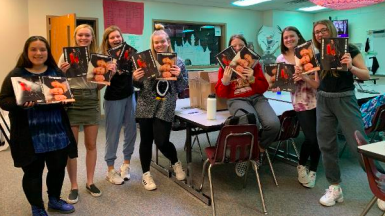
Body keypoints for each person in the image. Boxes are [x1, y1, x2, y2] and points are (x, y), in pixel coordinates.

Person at [0, 36, 76, 215]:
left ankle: (54, 200)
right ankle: (37, 207)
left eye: (42, 49)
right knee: (33, 173)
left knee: (57, 169)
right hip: (29, 135)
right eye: (33, 49)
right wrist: (20, 103)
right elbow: (3, 101)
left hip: (56, 131)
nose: (38, 53)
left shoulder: (55, 72)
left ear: (47, 52)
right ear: (27, 52)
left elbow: (65, 96)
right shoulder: (16, 74)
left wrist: (66, 101)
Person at [312, 20, 370, 207]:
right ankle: (334, 187)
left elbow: (365, 75)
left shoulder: (350, 49)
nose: (320, 34)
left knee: (358, 144)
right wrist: (303, 75)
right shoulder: (318, 54)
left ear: (332, 31)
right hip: (323, 100)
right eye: (316, 32)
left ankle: (382, 185)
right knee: (326, 144)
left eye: (323, 30)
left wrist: (351, 66)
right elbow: (317, 84)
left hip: (344, 99)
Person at [132, 24, 187, 191]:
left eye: (162, 41)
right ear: (152, 43)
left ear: (168, 41)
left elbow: (182, 87)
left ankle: (176, 163)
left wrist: (178, 77)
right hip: (146, 104)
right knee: (146, 141)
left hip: (165, 104)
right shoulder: (144, 60)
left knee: (162, 141)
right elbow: (137, 85)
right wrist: (135, 78)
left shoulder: (179, 62)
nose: (159, 45)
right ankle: (146, 174)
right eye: (156, 42)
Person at [215, 34, 280, 157]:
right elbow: (221, 94)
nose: (238, 48)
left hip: (257, 98)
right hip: (237, 99)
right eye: (234, 46)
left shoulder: (255, 65)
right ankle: (246, 156)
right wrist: (225, 81)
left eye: (241, 45)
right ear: (229, 49)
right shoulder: (224, 68)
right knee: (251, 123)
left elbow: (263, 88)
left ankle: (259, 149)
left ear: (246, 48)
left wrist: (252, 78)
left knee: (274, 125)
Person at [58, 24, 101, 203]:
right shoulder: (66, 55)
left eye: (87, 35)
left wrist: (107, 76)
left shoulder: (97, 58)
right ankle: (74, 185)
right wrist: (61, 72)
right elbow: (57, 81)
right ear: (75, 37)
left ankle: (90, 182)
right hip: (72, 101)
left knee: (91, 144)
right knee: (72, 148)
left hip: (91, 99)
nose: (83, 38)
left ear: (92, 38)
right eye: (80, 35)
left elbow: (99, 85)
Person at [274, 26, 321, 188]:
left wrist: (304, 75)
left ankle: (313, 169)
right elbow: (282, 83)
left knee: (319, 138)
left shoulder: (310, 53)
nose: (288, 39)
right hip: (301, 101)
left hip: (319, 100)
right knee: (311, 137)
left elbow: (318, 81)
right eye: (285, 37)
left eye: (291, 36)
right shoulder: (280, 58)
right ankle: (301, 165)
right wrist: (280, 85)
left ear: (298, 36)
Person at [100, 25, 137, 185]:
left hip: (130, 96)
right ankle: (110, 170)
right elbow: (99, 82)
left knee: (131, 131)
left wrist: (136, 75)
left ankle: (126, 164)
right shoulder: (103, 59)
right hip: (113, 98)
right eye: (112, 37)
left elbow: (137, 76)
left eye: (118, 36)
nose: (116, 39)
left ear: (122, 37)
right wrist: (109, 71)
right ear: (107, 41)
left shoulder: (131, 54)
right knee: (113, 134)